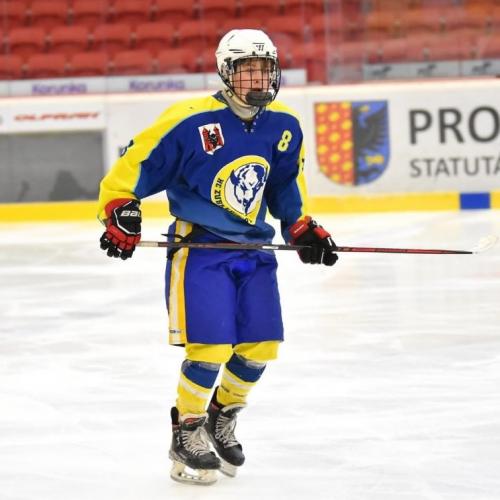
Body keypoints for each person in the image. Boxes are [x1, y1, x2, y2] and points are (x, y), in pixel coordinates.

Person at [97, 29, 338, 485]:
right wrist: (120, 210)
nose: (258, 79)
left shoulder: (285, 125)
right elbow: (135, 166)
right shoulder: (190, 121)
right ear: (226, 73)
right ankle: (186, 429)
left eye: (265, 69)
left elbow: (285, 185)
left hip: (254, 249)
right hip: (201, 248)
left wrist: (300, 226)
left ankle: (221, 413)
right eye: (247, 70)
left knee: (261, 346)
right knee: (209, 347)